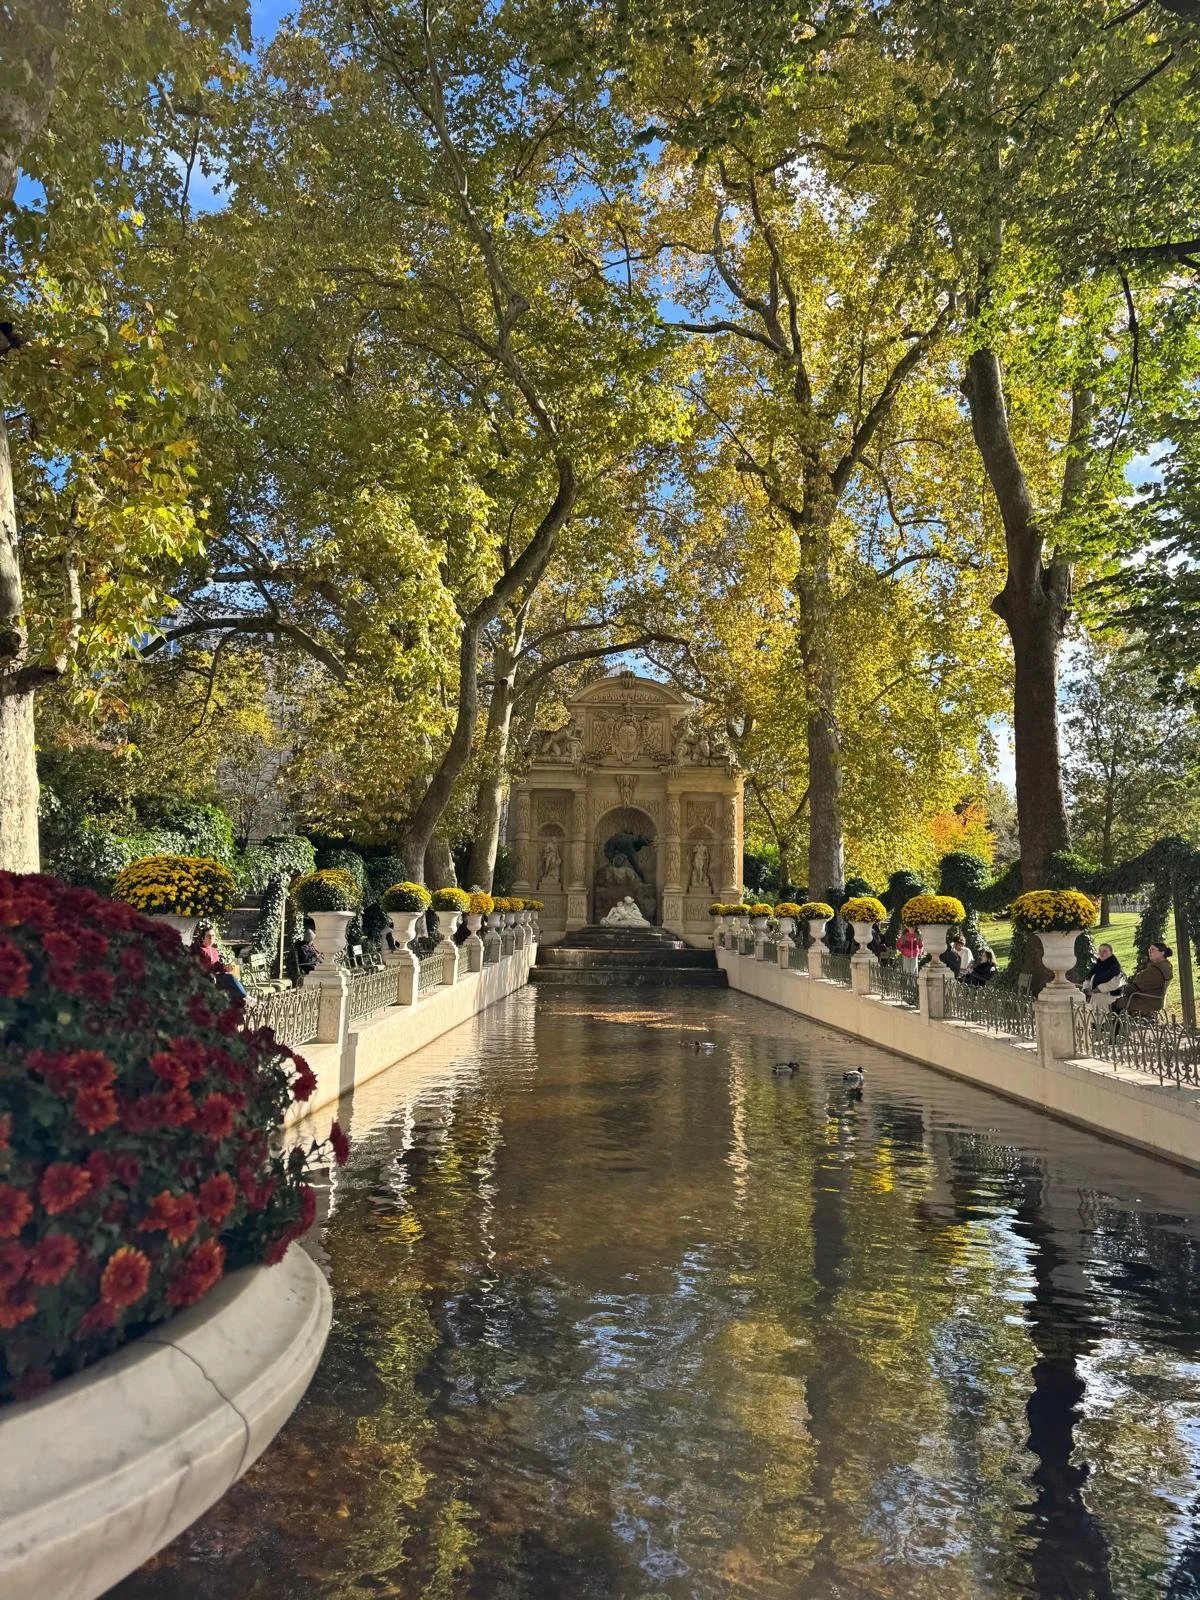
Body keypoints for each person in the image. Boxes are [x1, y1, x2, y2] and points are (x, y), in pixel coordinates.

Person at [1112, 942, 1174, 1019]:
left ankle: (1114, 1029)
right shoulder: (1165, 966)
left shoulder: (1155, 970)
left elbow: (1136, 984)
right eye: (1149, 949)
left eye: (1153, 950)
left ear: (1162, 953)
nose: (1149, 951)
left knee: (1114, 1003)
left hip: (1147, 1000)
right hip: (1154, 998)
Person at [1082, 943, 1125, 1009]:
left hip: (1109, 999)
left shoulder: (1115, 968)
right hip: (1095, 998)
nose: (1101, 953)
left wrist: (1098, 989)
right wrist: (1086, 988)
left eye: (1104, 951)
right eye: (1100, 951)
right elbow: (1089, 978)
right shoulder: (1097, 966)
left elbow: (1116, 983)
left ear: (1111, 953)